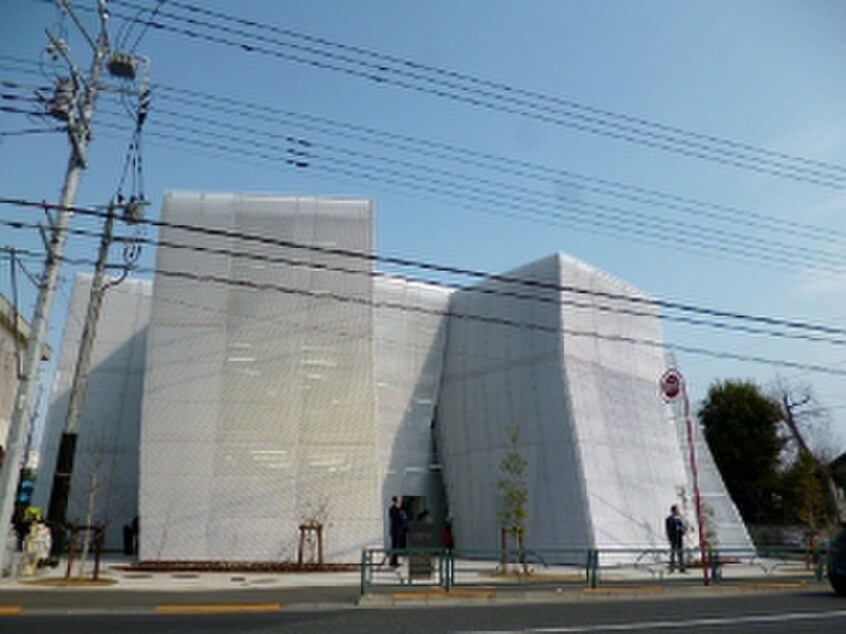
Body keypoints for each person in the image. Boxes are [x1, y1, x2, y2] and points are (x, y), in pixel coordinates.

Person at [665, 504, 686, 572]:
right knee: (673, 553)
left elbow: (682, 527)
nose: (678, 511)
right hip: (673, 538)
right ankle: (672, 568)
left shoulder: (679, 519)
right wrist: (669, 537)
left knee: (680, 553)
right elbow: (668, 529)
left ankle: (681, 568)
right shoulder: (669, 519)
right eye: (677, 509)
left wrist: (682, 530)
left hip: (679, 538)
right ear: (673, 511)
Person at [388, 496, 408, 567]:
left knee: (398, 546)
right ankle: (393, 562)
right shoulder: (393, 509)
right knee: (395, 546)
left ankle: (395, 561)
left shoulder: (401, 509)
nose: (400, 502)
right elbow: (396, 518)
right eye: (399, 500)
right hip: (395, 530)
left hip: (400, 530)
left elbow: (404, 518)